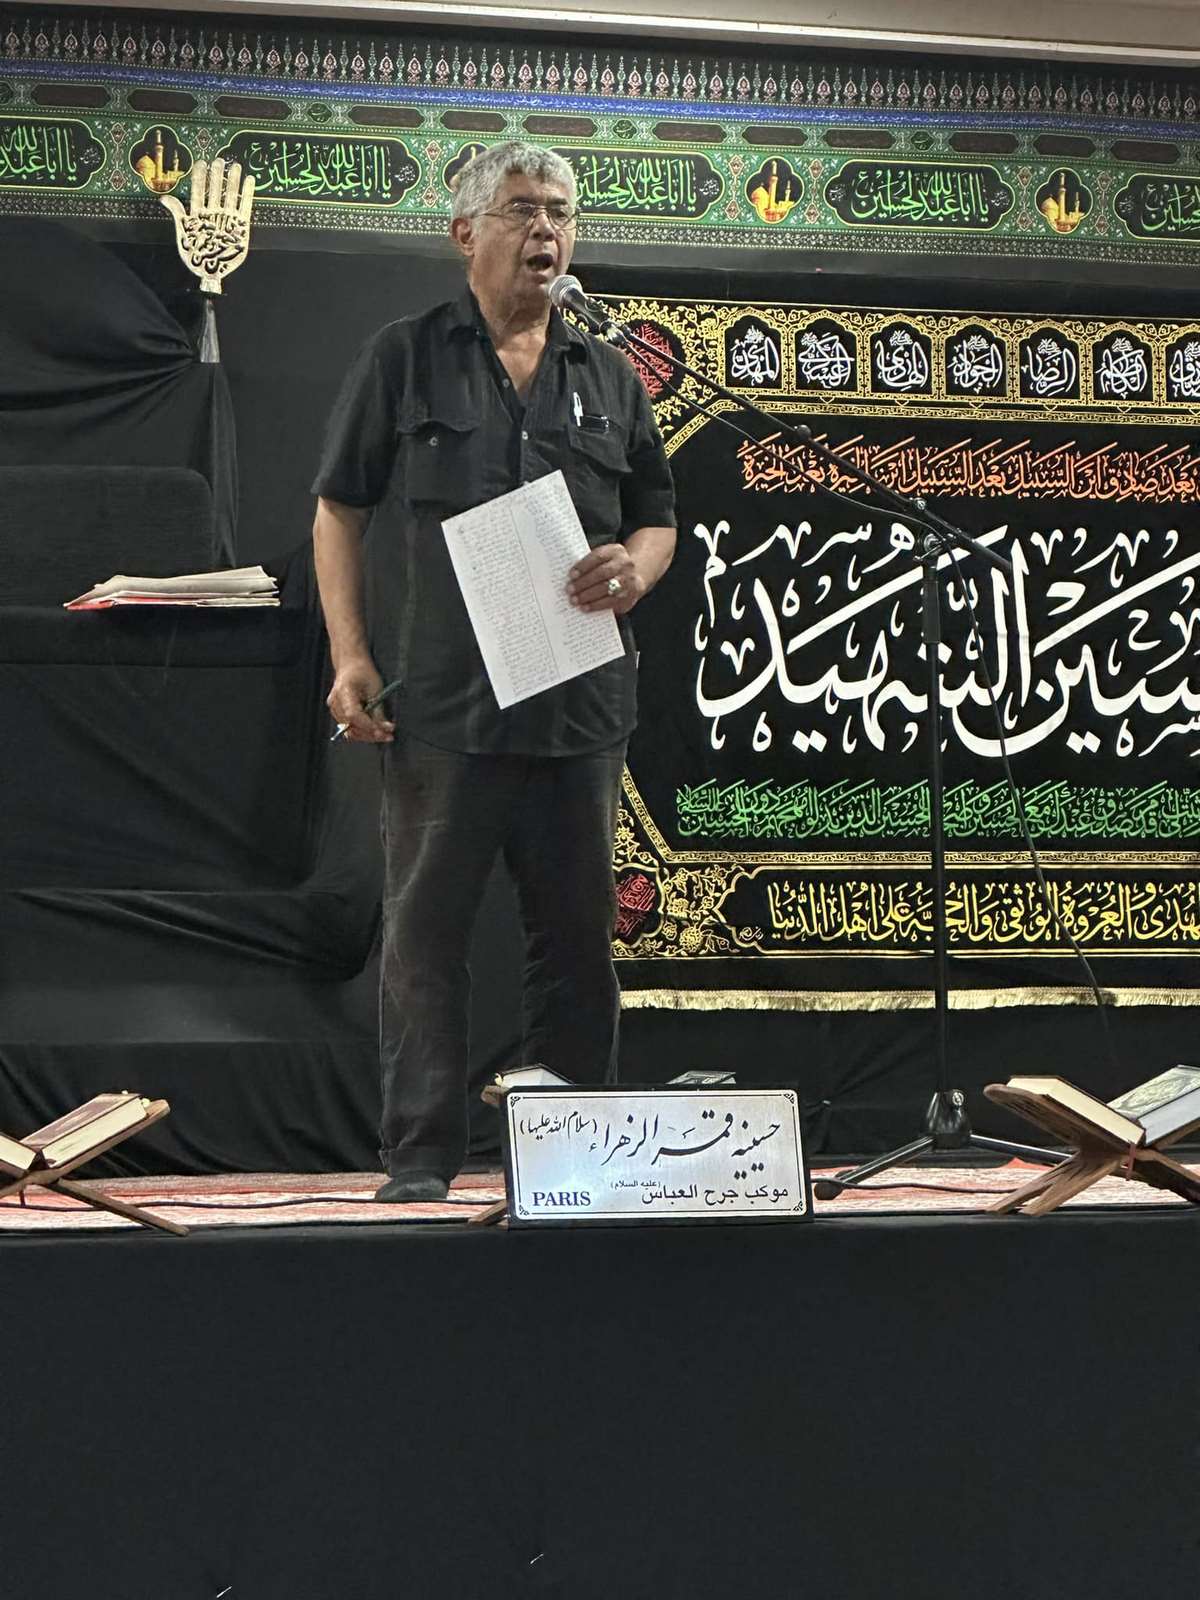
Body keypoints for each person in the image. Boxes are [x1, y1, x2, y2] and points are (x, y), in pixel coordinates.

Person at [311, 142, 677, 1202]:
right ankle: (421, 1162)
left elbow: (657, 516)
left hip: (580, 710)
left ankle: (577, 1164)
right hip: (446, 708)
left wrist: (636, 568)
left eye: (560, 211)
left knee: (577, 948)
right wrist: (350, 654)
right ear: (465, 232)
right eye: (521, 210)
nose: (545, 230)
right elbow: (338, 509)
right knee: (427, 940)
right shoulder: (406, 357)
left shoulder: (608, 373)